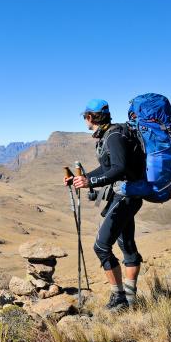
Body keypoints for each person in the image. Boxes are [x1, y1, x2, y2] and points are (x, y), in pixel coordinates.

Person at [67, 99, 145, 310]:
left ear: (90, 117)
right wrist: (81, 179)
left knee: (101, 246)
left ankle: (119, 298)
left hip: (125, 197)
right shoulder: (110, 135)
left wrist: (89, 181)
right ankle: (131, 300)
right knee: (126, 245)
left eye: (85, 117)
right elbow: (106, 169)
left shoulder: (114, 137)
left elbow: (119, 169)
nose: (85, 120)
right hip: (127, 196)